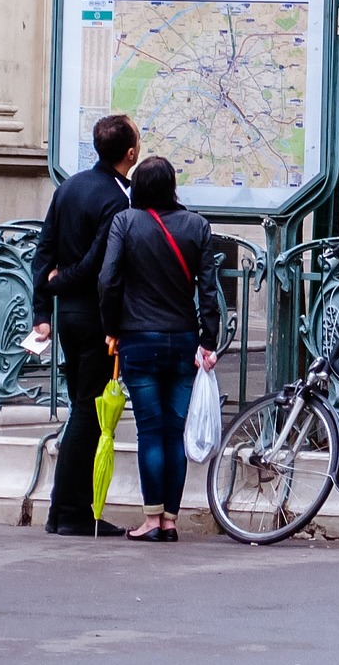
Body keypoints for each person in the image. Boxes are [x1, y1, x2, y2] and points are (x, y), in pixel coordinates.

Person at [99, 155, 221, 542]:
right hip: (184, 340)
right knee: (174, 433)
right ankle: (170, 519)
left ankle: (151, 519)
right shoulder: (197, 225)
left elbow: (107, 279)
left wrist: (112, 326)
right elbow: (209, 290)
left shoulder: (125, 222)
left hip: (138, 339)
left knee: (150, 432)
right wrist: (208, 340)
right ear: (172, 187)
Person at [31, 113, 138, 537]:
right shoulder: (117, 199)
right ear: (131, 153)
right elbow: (100, 265)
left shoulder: (70, 186)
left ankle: (63, 513)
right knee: (87, 413)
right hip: (96, 318)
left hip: (67, 320)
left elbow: (44, 251)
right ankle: (71, 511)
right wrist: (61, 286)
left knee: (83, 407)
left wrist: (43, 309)